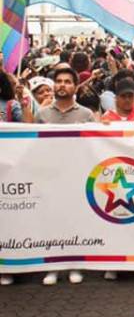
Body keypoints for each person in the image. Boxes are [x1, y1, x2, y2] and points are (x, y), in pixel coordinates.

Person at [34, 67, 95, 285]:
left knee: (75, 219)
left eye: (67, 81)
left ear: (75, 87)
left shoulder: (86, 115)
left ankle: (74, 264)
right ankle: (53, 266)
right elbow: (32, 145)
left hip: (78, 175)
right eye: (58, 81)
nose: (62, 85)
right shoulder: (42, 114)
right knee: (51, 220)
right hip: (50, 175)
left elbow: (95, 145)